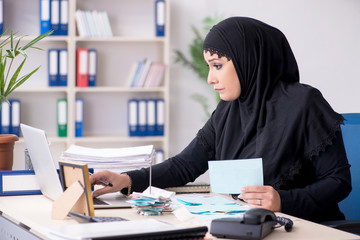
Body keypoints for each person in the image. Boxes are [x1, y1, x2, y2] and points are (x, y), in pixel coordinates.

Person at [90, 17, 351, 223]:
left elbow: (338, 182)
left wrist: (283, 200)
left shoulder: (304, 103)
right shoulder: (228, 110)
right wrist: (127, 180)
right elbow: (184, 165)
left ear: (248, 59)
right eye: (209, 67)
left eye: (218, 65)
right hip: (247, 225)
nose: (210, 79)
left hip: (304, 227)